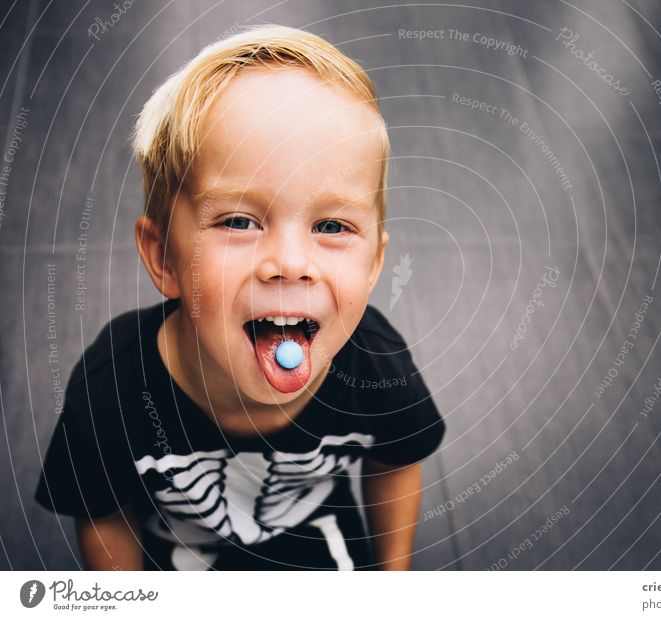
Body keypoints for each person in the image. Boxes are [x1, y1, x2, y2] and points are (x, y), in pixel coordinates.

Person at [34, 24, 445, 571]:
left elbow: (396, 460)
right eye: (238, 221)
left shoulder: (377, 364)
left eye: (332, 225)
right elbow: (104, 517)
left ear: (373, 264)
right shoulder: (109, 391)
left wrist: (395, 578)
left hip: (315, 529)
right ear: (164, 258)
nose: (292, 264)